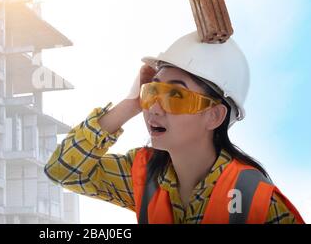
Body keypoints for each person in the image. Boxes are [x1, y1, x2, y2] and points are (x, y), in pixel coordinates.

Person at [44, 31, 305, 224]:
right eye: (153, 92)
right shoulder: (144, 175)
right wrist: (130, 104)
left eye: (176, 96)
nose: (154, 109)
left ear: (214, 116)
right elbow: (63, 170)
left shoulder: (256, 200)